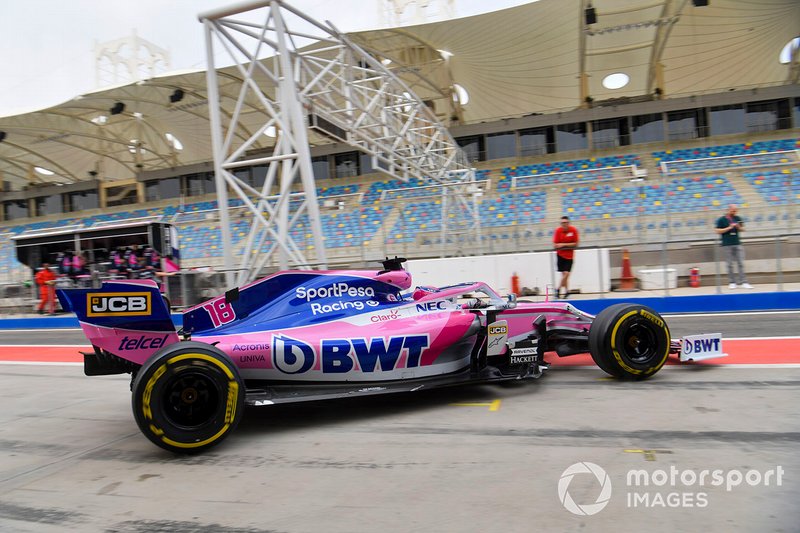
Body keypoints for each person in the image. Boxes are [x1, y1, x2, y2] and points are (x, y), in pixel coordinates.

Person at [715, 204, 752, 289]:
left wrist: (738, 227)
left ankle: (744, 282)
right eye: (733, 211)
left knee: (741, 263)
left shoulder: (738, 218)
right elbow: (717, 230)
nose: (734, 212)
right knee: (729, 264)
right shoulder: (721, 219)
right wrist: (729, 228)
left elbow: (743, 229)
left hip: (737, 243)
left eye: (736, 211)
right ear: (729, 210)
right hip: (727, 244)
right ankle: (732, 282)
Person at [553, 216, 579, 299]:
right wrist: (560, 245)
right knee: (564, 275)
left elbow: (576, 243)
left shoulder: (573, 230)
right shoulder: (558, 231)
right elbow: (555, 244)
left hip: (569, 256)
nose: (564, 224)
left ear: (568, 223)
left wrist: (563, 244)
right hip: (560, 255)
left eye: (565, 223)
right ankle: (567, 291)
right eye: (562, 223)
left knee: (567, 273)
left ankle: (558, 289)